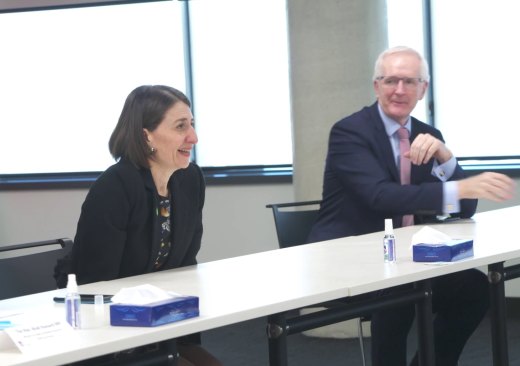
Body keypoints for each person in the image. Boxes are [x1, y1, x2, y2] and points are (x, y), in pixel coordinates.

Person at [307, 46, 516, 366]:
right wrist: (458, 186)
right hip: (349, 257)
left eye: (409, 81)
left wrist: (446, 158)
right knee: (398, 294)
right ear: (376, 86)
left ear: (424, 88)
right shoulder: (350, 132)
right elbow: (379, 196)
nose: (399, 90)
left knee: (475, 288)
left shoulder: (428, 135)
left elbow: (465, 208)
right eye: (390, 80)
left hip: (406, 258)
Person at [55, 85, 222, 366]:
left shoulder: (190, 179)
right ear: (147, 135)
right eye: (181, 126)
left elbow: (186, 265)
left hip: (161, 328)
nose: (193, 137)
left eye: (191, 124)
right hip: (108, 335)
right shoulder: (115, 187)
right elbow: (96, 285)